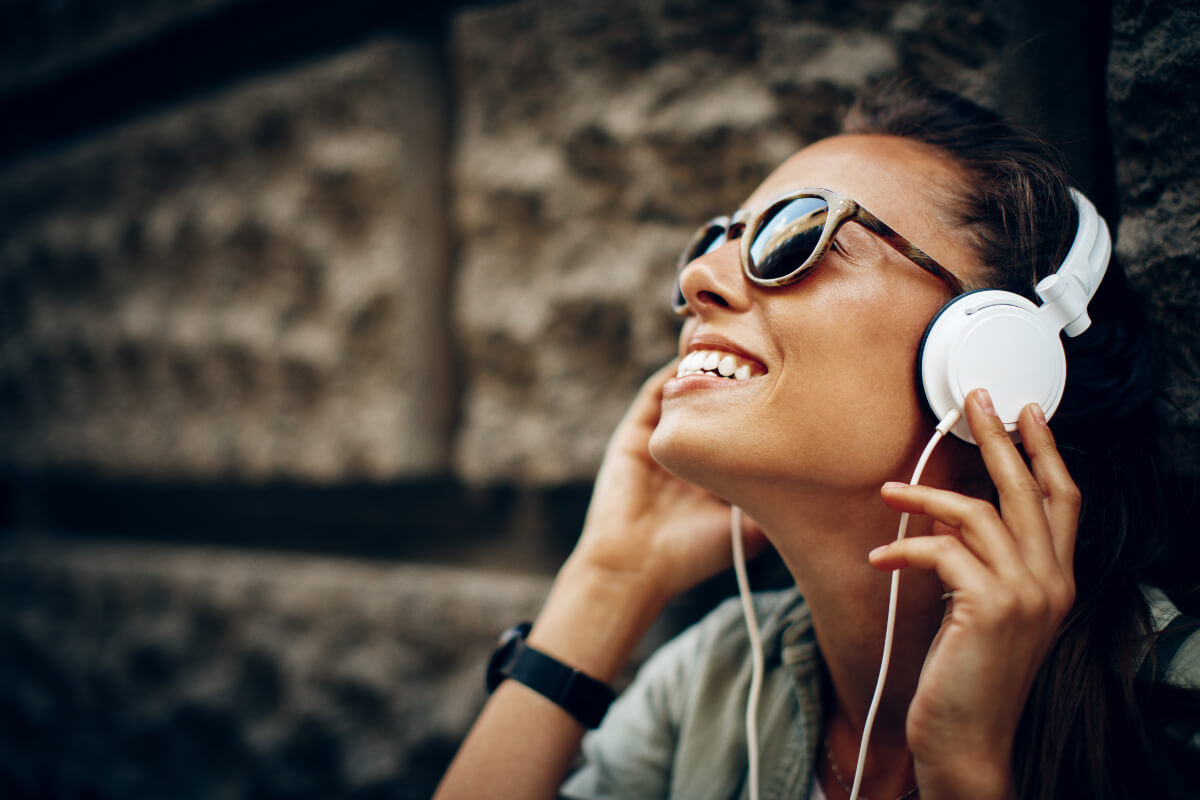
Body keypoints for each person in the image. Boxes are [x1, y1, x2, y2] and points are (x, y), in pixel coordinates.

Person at [434, 81, 1200, 800]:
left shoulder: (1175, 709)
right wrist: (608, 578)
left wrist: (964, 769)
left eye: (793, 231)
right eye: (714, 240)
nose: (700, 276)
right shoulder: (713, 680)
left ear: (992, 351)